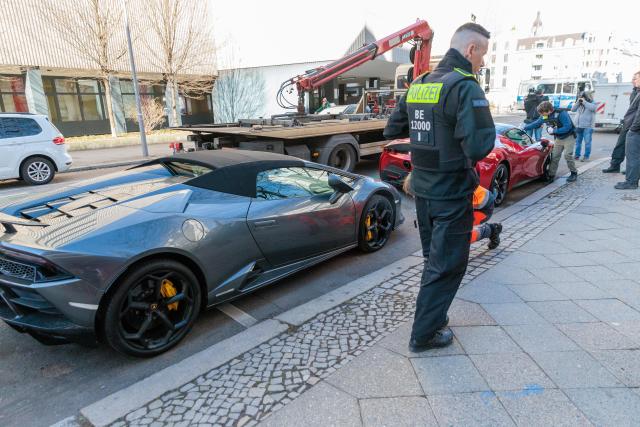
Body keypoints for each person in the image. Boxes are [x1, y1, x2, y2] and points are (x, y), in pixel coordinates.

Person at [384, 22, 495, 352]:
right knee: (447, 264)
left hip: (423, 192)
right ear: (470, 50)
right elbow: (478, 147)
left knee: (435, 259)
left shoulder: (419, 82)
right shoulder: (465, 86)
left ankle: (434, 316)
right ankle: (424, 334)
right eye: (483, 55)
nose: (483, 63)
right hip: (451, 192)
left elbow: (394, 127)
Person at [403, 174, 502, 249]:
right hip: (471, 205)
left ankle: (492, 230)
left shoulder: (444, 192)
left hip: (483, 208)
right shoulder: (434, 187)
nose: (415, 198)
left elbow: (451, 212)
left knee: (461, 237)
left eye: (415, 195)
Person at [524, 101, 578, 182]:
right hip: (559, 138)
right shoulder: (545, 115)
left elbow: (568, 127)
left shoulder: (561, 113)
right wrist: (524, 127)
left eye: (543, 113)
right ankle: (551, 175)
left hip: (569, 136)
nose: (542, 115)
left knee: (567, 155)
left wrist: (554, 131)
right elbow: (537, 123)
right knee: (555, 156)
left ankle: (574, 173)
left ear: (549, 110)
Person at [603, 71, 640, 173]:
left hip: (635, 124)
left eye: (635, 78)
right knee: (620, 145)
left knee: (632, 149)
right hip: (629, 123)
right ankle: (615, 165)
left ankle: (631, 170)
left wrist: (634, 125)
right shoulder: (634, 91)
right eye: (633, 78)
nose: (633, 80)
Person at [616, 79, 640, 189]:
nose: (633, 81)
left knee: (633, 157)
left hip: (635, 130)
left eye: (636, 78)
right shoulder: (637, 92)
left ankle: (631, 182)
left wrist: (633, 128)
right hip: (635, 129)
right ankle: (632, 180)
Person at [572, 91, 597, 161]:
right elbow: (573, 109)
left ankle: (586, 156)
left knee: (587, 143)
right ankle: (576, 155)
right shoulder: (579, 103)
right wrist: (578, 102)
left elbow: (593, 108)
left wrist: (584, 102)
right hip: (578, 126)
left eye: (583, 97)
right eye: (581, 97)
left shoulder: (593, 103)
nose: (582, 98)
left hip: (588, 127)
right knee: (577, 142)